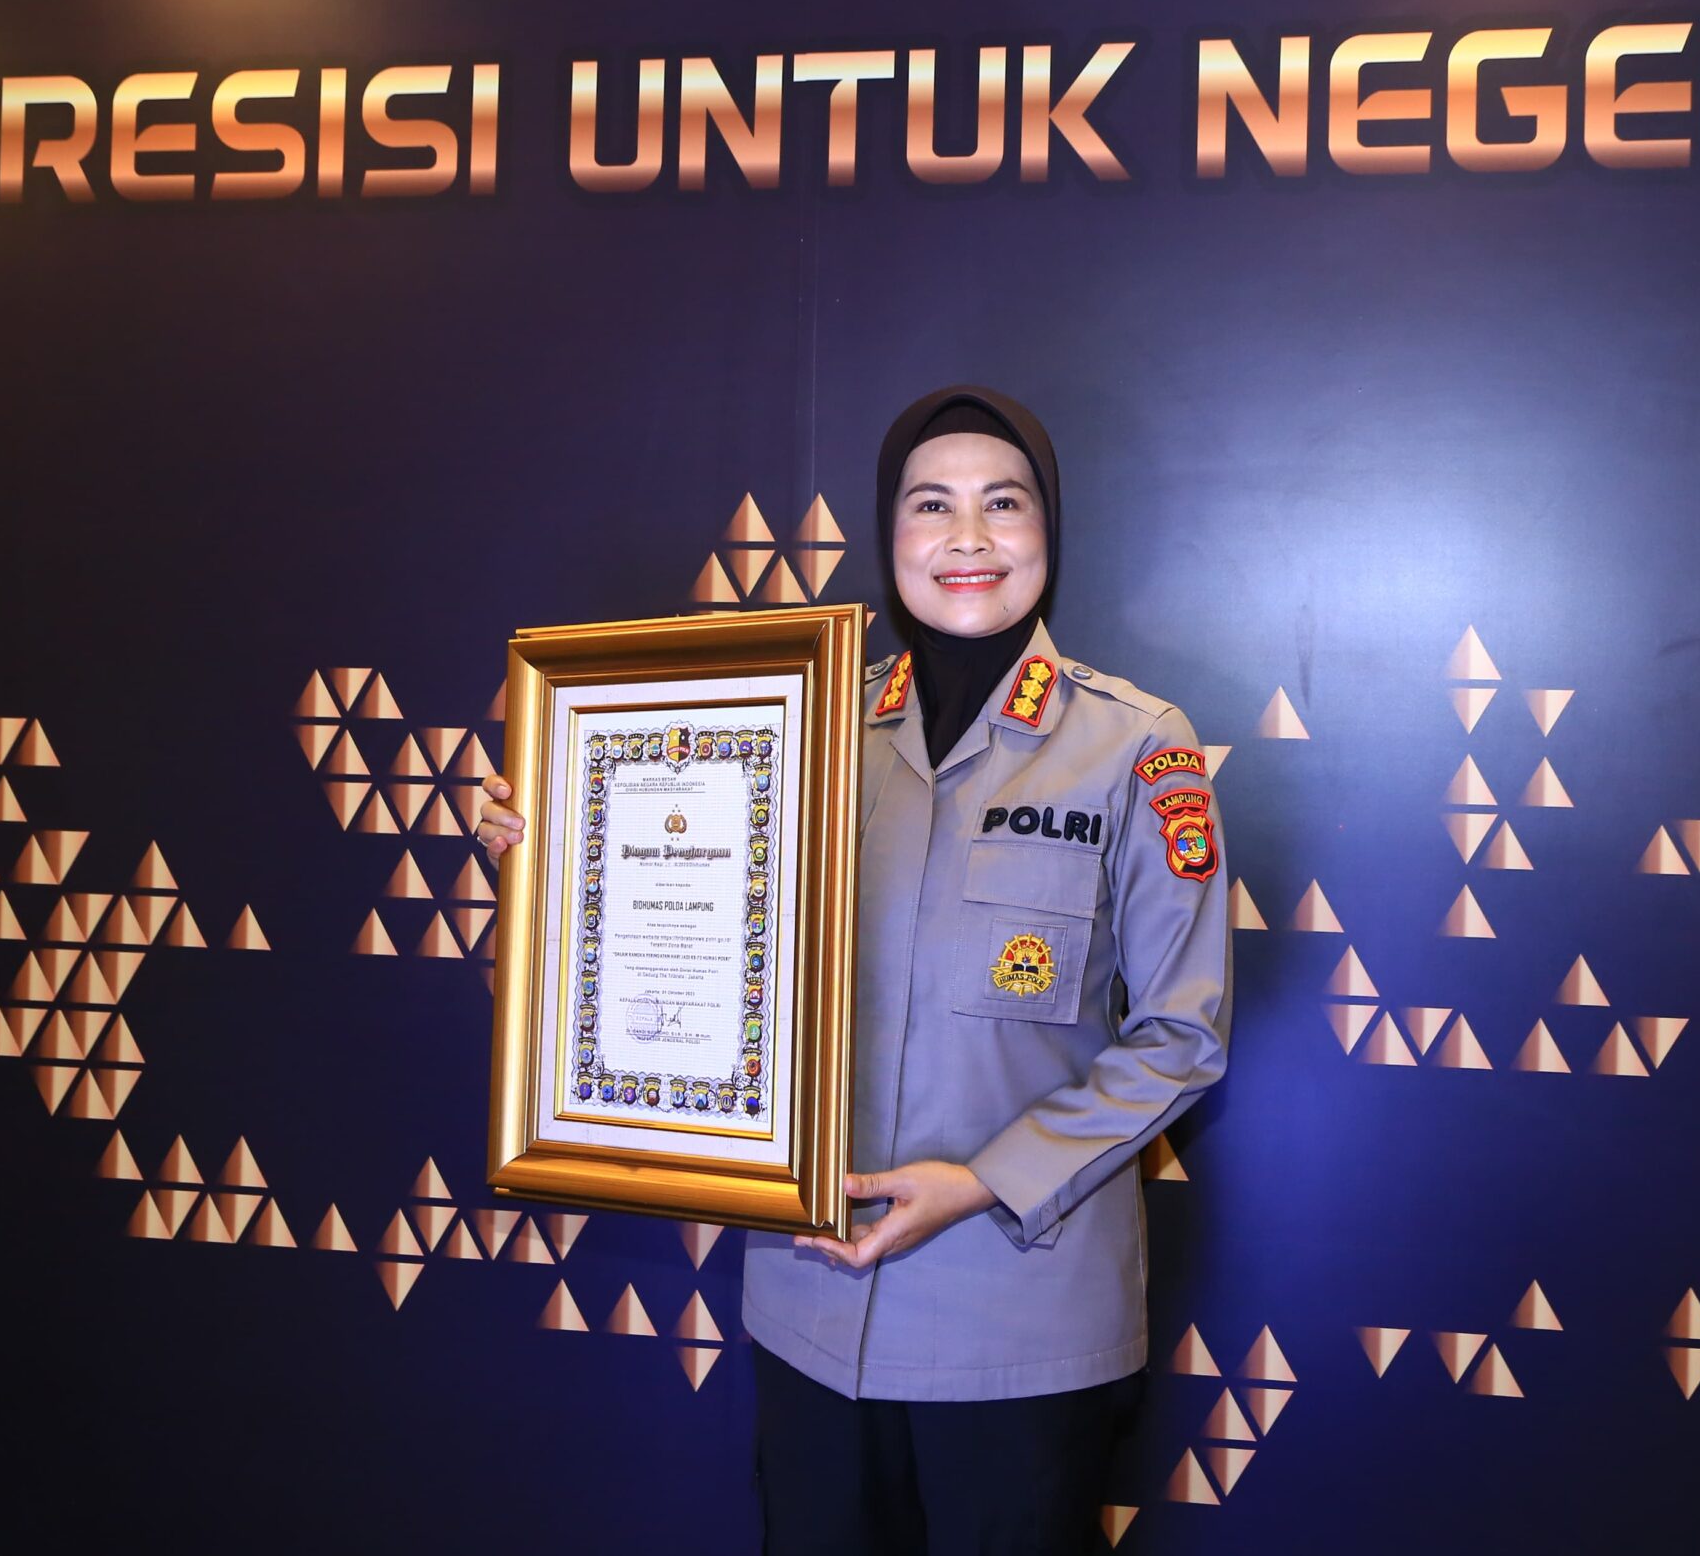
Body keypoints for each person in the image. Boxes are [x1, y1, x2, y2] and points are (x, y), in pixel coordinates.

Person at [478, 386, 1231, 1554]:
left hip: (1017, 1316)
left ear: (1050, 530)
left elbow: (1182, 1035)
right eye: (930, 504)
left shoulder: (1135, 742)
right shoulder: (794, 730)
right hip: (811, 1305)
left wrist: (981, 1180)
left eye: (1004, 503)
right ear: (889, 533)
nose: (967, 536)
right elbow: (649, 974)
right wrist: (550, 880)